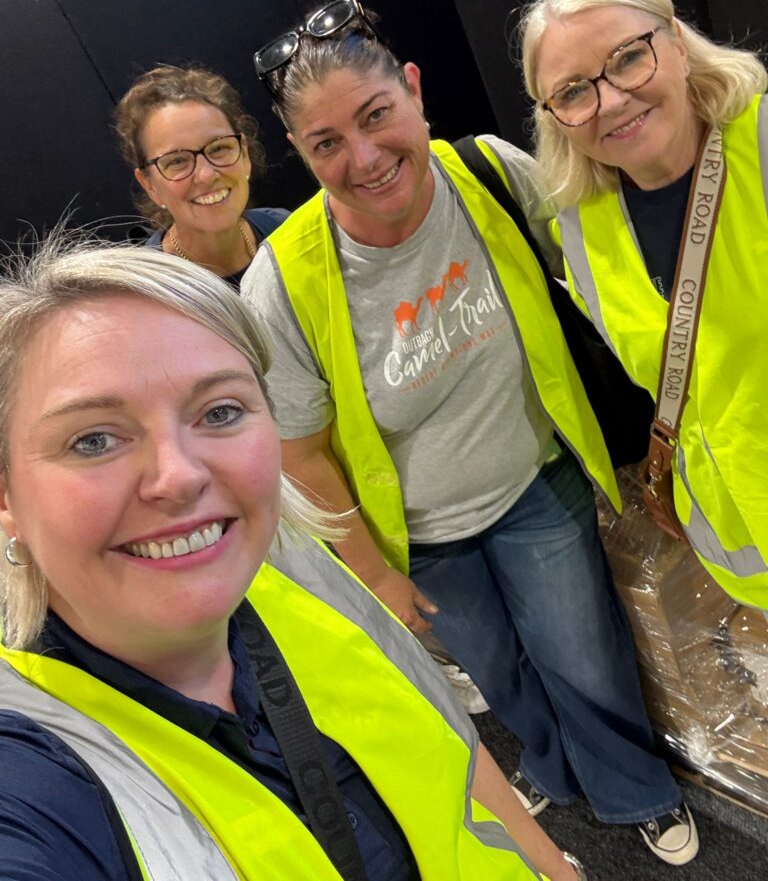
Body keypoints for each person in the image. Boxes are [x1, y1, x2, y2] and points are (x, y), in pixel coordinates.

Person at [243, 0, 697, 865]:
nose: (364, 158)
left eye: (376, 116)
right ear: (299, 151)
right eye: (326, 143)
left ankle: (634, 790)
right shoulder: (286, 282)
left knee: (584, 655)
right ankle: (555, 772)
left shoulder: (488, 172)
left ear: (414, 92)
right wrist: (373, 571)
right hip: (418, 537)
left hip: (532, 480)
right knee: (499, 674)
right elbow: (299, 452)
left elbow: (600, 270)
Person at [0, 237, 588, 881]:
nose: (180, 475)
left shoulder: (300, 568)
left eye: (220, 411)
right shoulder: (30, 773)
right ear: (6, 496)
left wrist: (554, 868)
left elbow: (456, 750)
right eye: (93, 440)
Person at [518, 0, 768, 611]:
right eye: (573, 92)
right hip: (746, 549)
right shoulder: (582, 229)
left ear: (677, 43)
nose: (610, 101)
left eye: (628, 57)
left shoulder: (762, 145)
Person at [114, 64, 288, 287]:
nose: (206, 175)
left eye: (219, 148)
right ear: (150, 186)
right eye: (177, 161)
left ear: (244, 155)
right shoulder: (147, 295)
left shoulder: (286, 230)